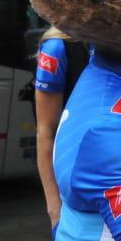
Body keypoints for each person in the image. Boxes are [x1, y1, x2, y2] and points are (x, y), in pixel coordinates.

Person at [33, 28, 89, 228]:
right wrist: (54, 206)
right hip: (73, 181)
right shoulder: (57, 47)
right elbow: (45, 131)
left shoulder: (118, 42)